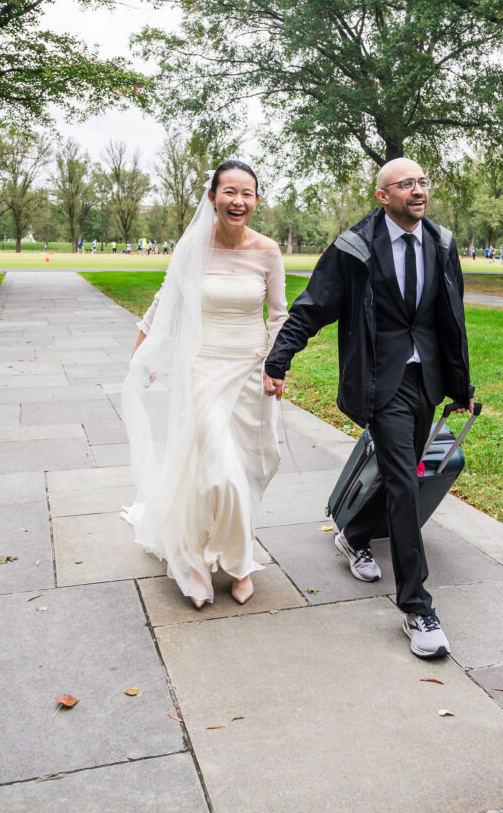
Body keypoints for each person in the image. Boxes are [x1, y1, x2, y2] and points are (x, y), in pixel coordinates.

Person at [264, 158, 474, 660]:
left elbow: (452, 316)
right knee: (403, 477)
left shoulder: (441, 244)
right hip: (380, 381)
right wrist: (279, 358)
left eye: (423, 182)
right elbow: (312, 306)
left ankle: (355, 533)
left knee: (404, 472)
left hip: (426, 381)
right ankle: (417, 607)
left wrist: (460, 383)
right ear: (383, 196)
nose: (418, 191)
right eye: (406, 184)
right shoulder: (354, 248)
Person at [122, 160, 287, 609]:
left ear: (256, 199)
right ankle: (203, 562)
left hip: (251, 371)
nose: (239, 201)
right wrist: (141, 356)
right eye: (229, 192)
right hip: (203, 369)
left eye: (247, 193)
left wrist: (278, 367)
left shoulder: (269, 250)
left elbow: (277, 316)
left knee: (246, 467)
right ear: (212, 196)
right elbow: (163, 304)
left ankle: (234, 557)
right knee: (219, 470)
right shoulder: (191, 247)